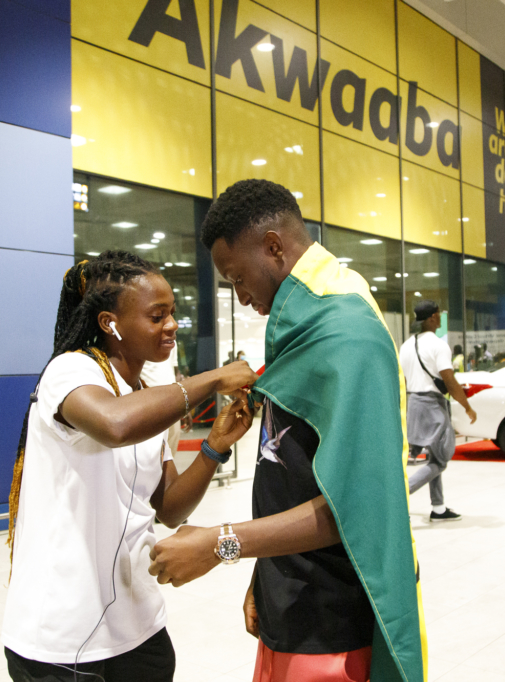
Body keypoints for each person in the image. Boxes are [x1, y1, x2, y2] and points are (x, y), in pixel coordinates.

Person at [147, 180, 426, 682]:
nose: (240, 295)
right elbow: (292, 474)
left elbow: (354, 508)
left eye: (237, 277)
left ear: (273, 247)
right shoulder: (299, 326)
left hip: (332, 622)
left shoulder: (346, 334)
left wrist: (221, 543)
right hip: (290, 599)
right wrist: (263, 571)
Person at [1, 252, 258, 682]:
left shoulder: (144, 392)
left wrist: (214, 447)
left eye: (172, 313)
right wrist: (213, 380)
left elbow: (170, 508)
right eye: (157, 316)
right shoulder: (69, 372)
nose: (172, 325)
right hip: (62, 639)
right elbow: (115, 424)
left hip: (138, 627)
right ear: (110, 323)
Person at [399, 300, 477, 522]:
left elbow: (405, 378)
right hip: (432, 405)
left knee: (434, 455)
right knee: (441, 459)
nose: (440, 317)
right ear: (433, 317)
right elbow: (449, 381)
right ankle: (403, 493)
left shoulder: (407, 345)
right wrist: (467, 407)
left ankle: (439, 508)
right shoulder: (438, 345)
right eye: (439, 314)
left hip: (413, 402)